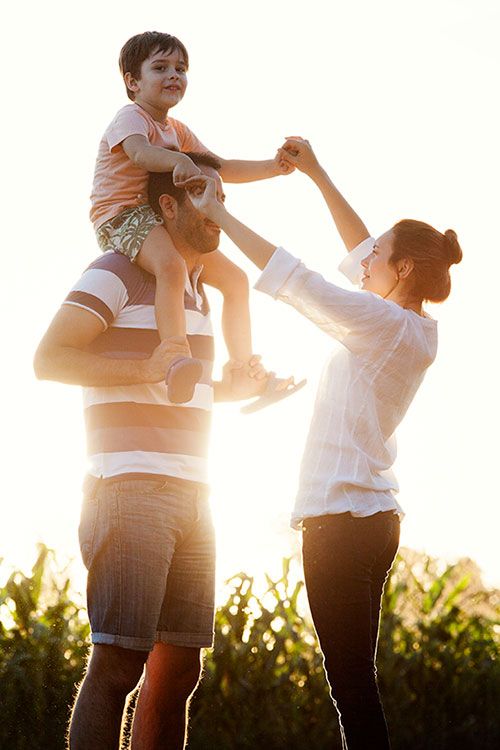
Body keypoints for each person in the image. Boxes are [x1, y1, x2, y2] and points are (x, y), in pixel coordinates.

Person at [183, 138, 463, 750]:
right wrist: (316, 174)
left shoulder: (381, 322)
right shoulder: (411, 327)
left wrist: (220, 215)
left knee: (351, 687)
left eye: (378, 258)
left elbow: (297, 279)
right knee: (357, 682)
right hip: (372, 516)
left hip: (341, 521)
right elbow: (362, 247)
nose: (364, 263)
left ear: (406, 270)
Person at [33, 153, 282, 750]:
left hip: (197, 493)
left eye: (223, 195)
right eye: (203, 195)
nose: (219, 209)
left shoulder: (196, 292)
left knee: (178, 673)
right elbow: (49, 359)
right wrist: (147, 363)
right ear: (167, 206)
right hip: (130, 487)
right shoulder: (117, 271)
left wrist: (233, 391)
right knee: (118, 665)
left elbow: (177, 389)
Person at [92, 30, 294, 405]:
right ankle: (176, 359)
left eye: (181, 69)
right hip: (120, 215)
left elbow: (220, 166)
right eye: (161, 67)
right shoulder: (130, 118)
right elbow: (139, 154)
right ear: (132, 82)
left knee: (235, 279)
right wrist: (178, 160)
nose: (174, 75)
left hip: (157, 218)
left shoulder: (176, 131)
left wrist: (274, 167)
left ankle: (242, 369)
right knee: (171, 267)